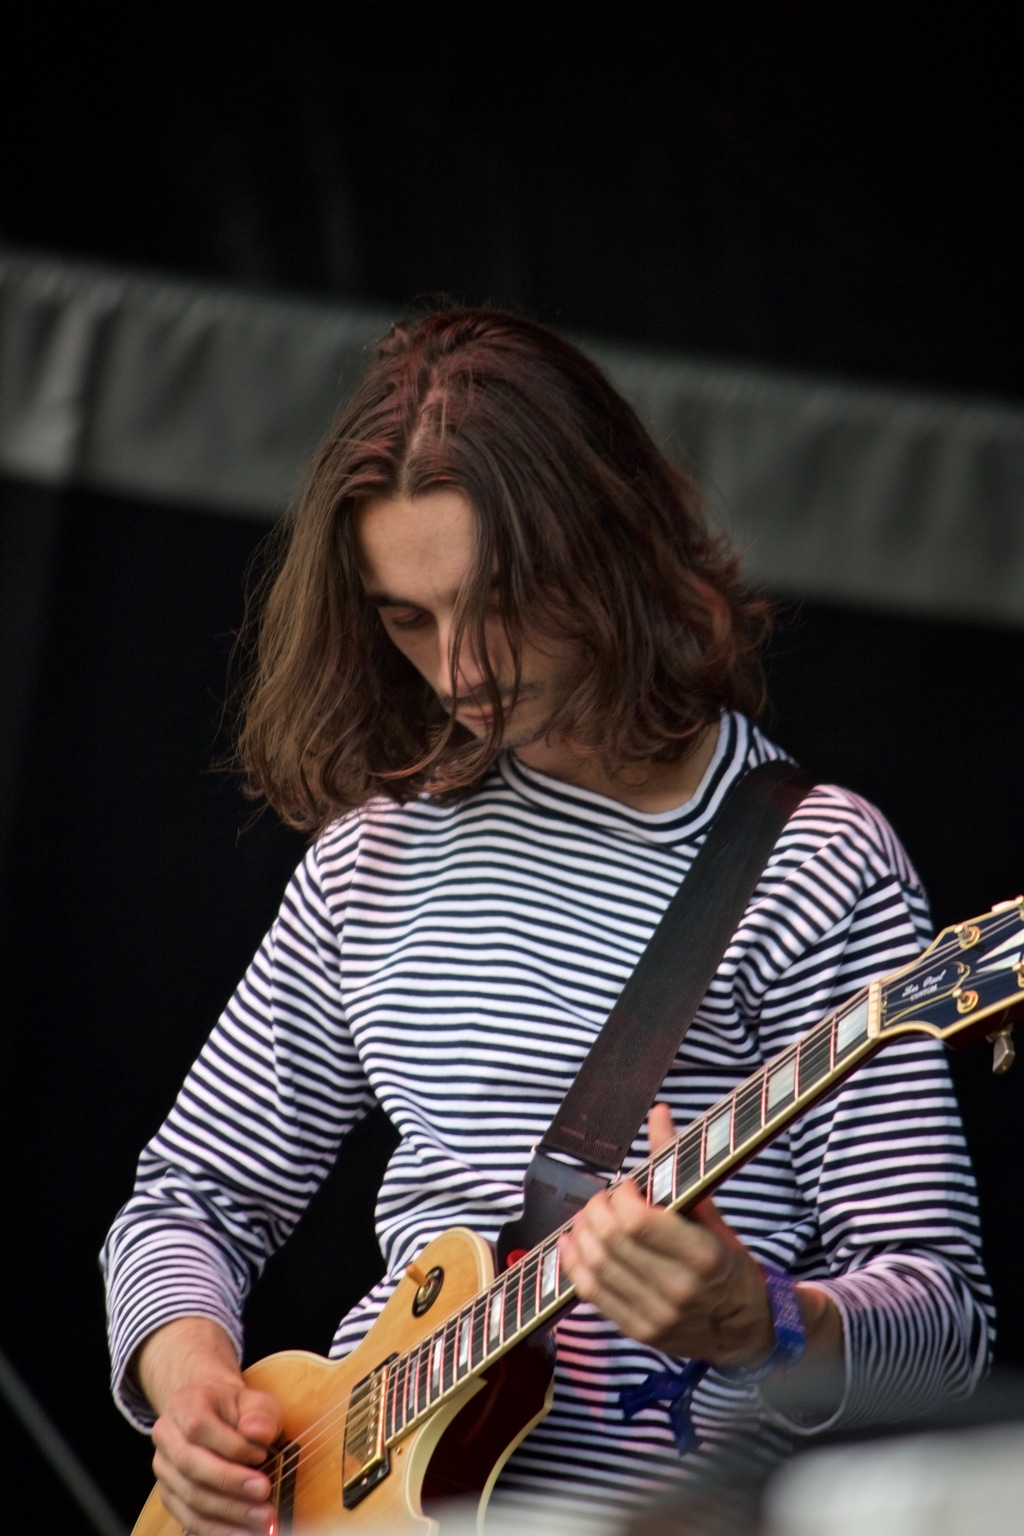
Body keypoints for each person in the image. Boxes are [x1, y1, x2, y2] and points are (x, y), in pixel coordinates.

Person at [102, 308, 991, 1536]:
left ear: (606, 546)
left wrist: (762, 1321)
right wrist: (190, 1382)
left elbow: (946, 1331)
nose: (458, 669)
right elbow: (190, 1197)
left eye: (495, 602)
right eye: (406, 618)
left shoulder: (812, 861)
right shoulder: (372, 855)